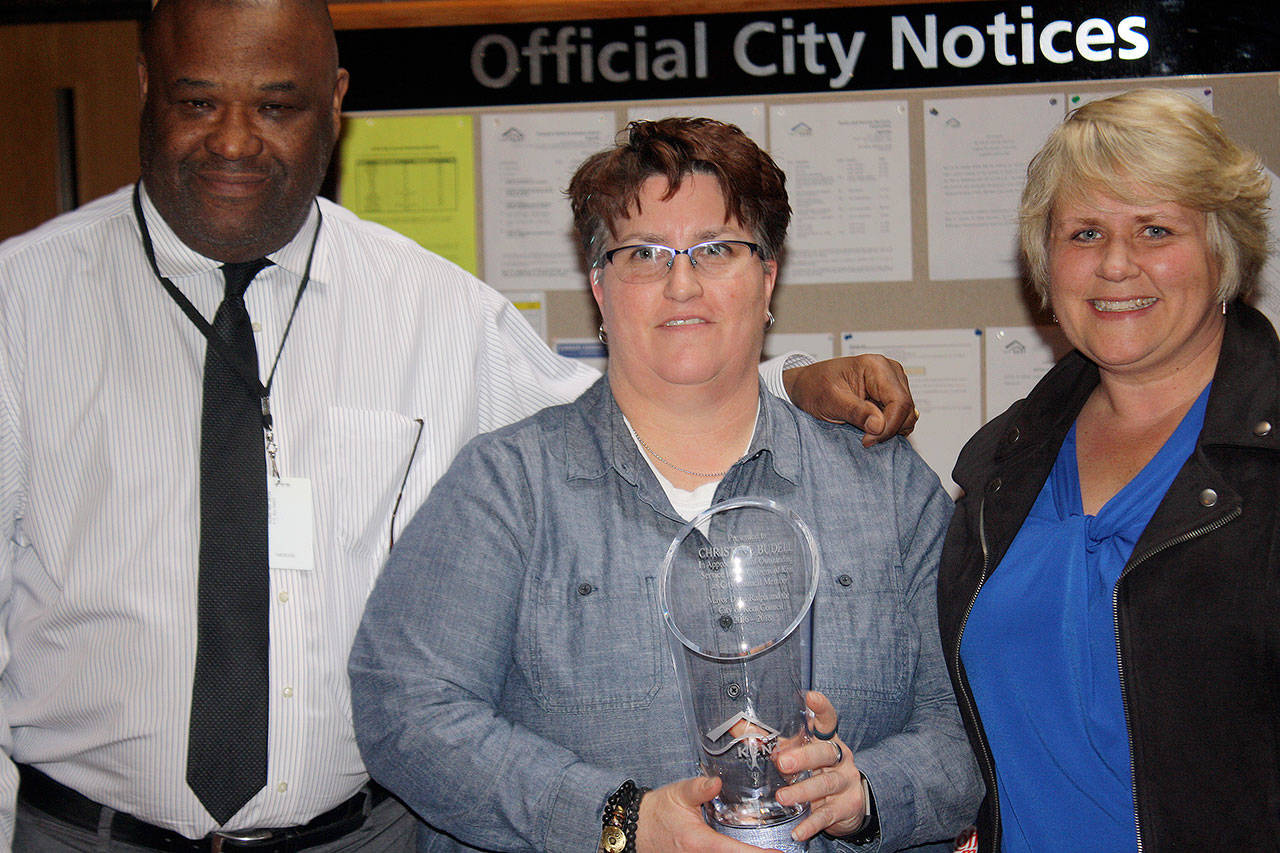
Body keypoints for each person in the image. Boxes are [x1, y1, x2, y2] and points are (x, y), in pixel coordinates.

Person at [0, 1, 919, 849]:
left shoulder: (436, 311)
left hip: (357, 838)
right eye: (199, 101)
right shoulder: (21, 306)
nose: (235, 141)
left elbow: (621, 407)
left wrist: (790, 382)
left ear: (335, 103)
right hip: (82, 834)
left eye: (277, 105)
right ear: (144, 89)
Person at [349, 117, 982, 853]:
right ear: (598, 285)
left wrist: (868, 791)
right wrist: (620, 821)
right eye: (644, 254)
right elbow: (408, 713)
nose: (682, 282)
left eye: (716, 249)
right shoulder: (506, 488)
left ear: (768, 276)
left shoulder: (887, 487)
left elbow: (971, 721)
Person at [937, 88, 1278, 851]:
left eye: (1156, 228)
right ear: (1046, 262)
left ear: (1223, 249)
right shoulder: (999, 469)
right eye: (1084, 232)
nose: (1117, 264)